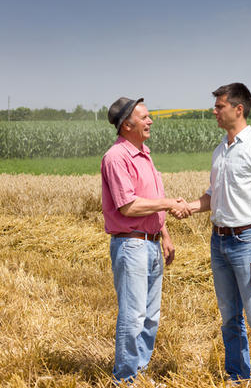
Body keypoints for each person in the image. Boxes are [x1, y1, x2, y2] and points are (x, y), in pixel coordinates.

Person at [185, 83, 251, 385]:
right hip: (218, 241)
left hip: (248, 241)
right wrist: (190, 207)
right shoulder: (220, 150)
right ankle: (237, 375)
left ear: (238, 109)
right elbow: (212, 195)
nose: (214, 111)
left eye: (220, 106)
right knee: (229, 316)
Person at [101, 97, 191, 383]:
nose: (150, 121)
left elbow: (149, 199)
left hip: (150, 243)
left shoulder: (144, 153)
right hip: (132, 245)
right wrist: (168, 203)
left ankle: (138, 370)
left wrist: (164, 234)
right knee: (134, 316)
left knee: (150, 316)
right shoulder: (117, 157)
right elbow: (128, 206)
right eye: (145, 117)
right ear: (127, 124)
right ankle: (125, 377)